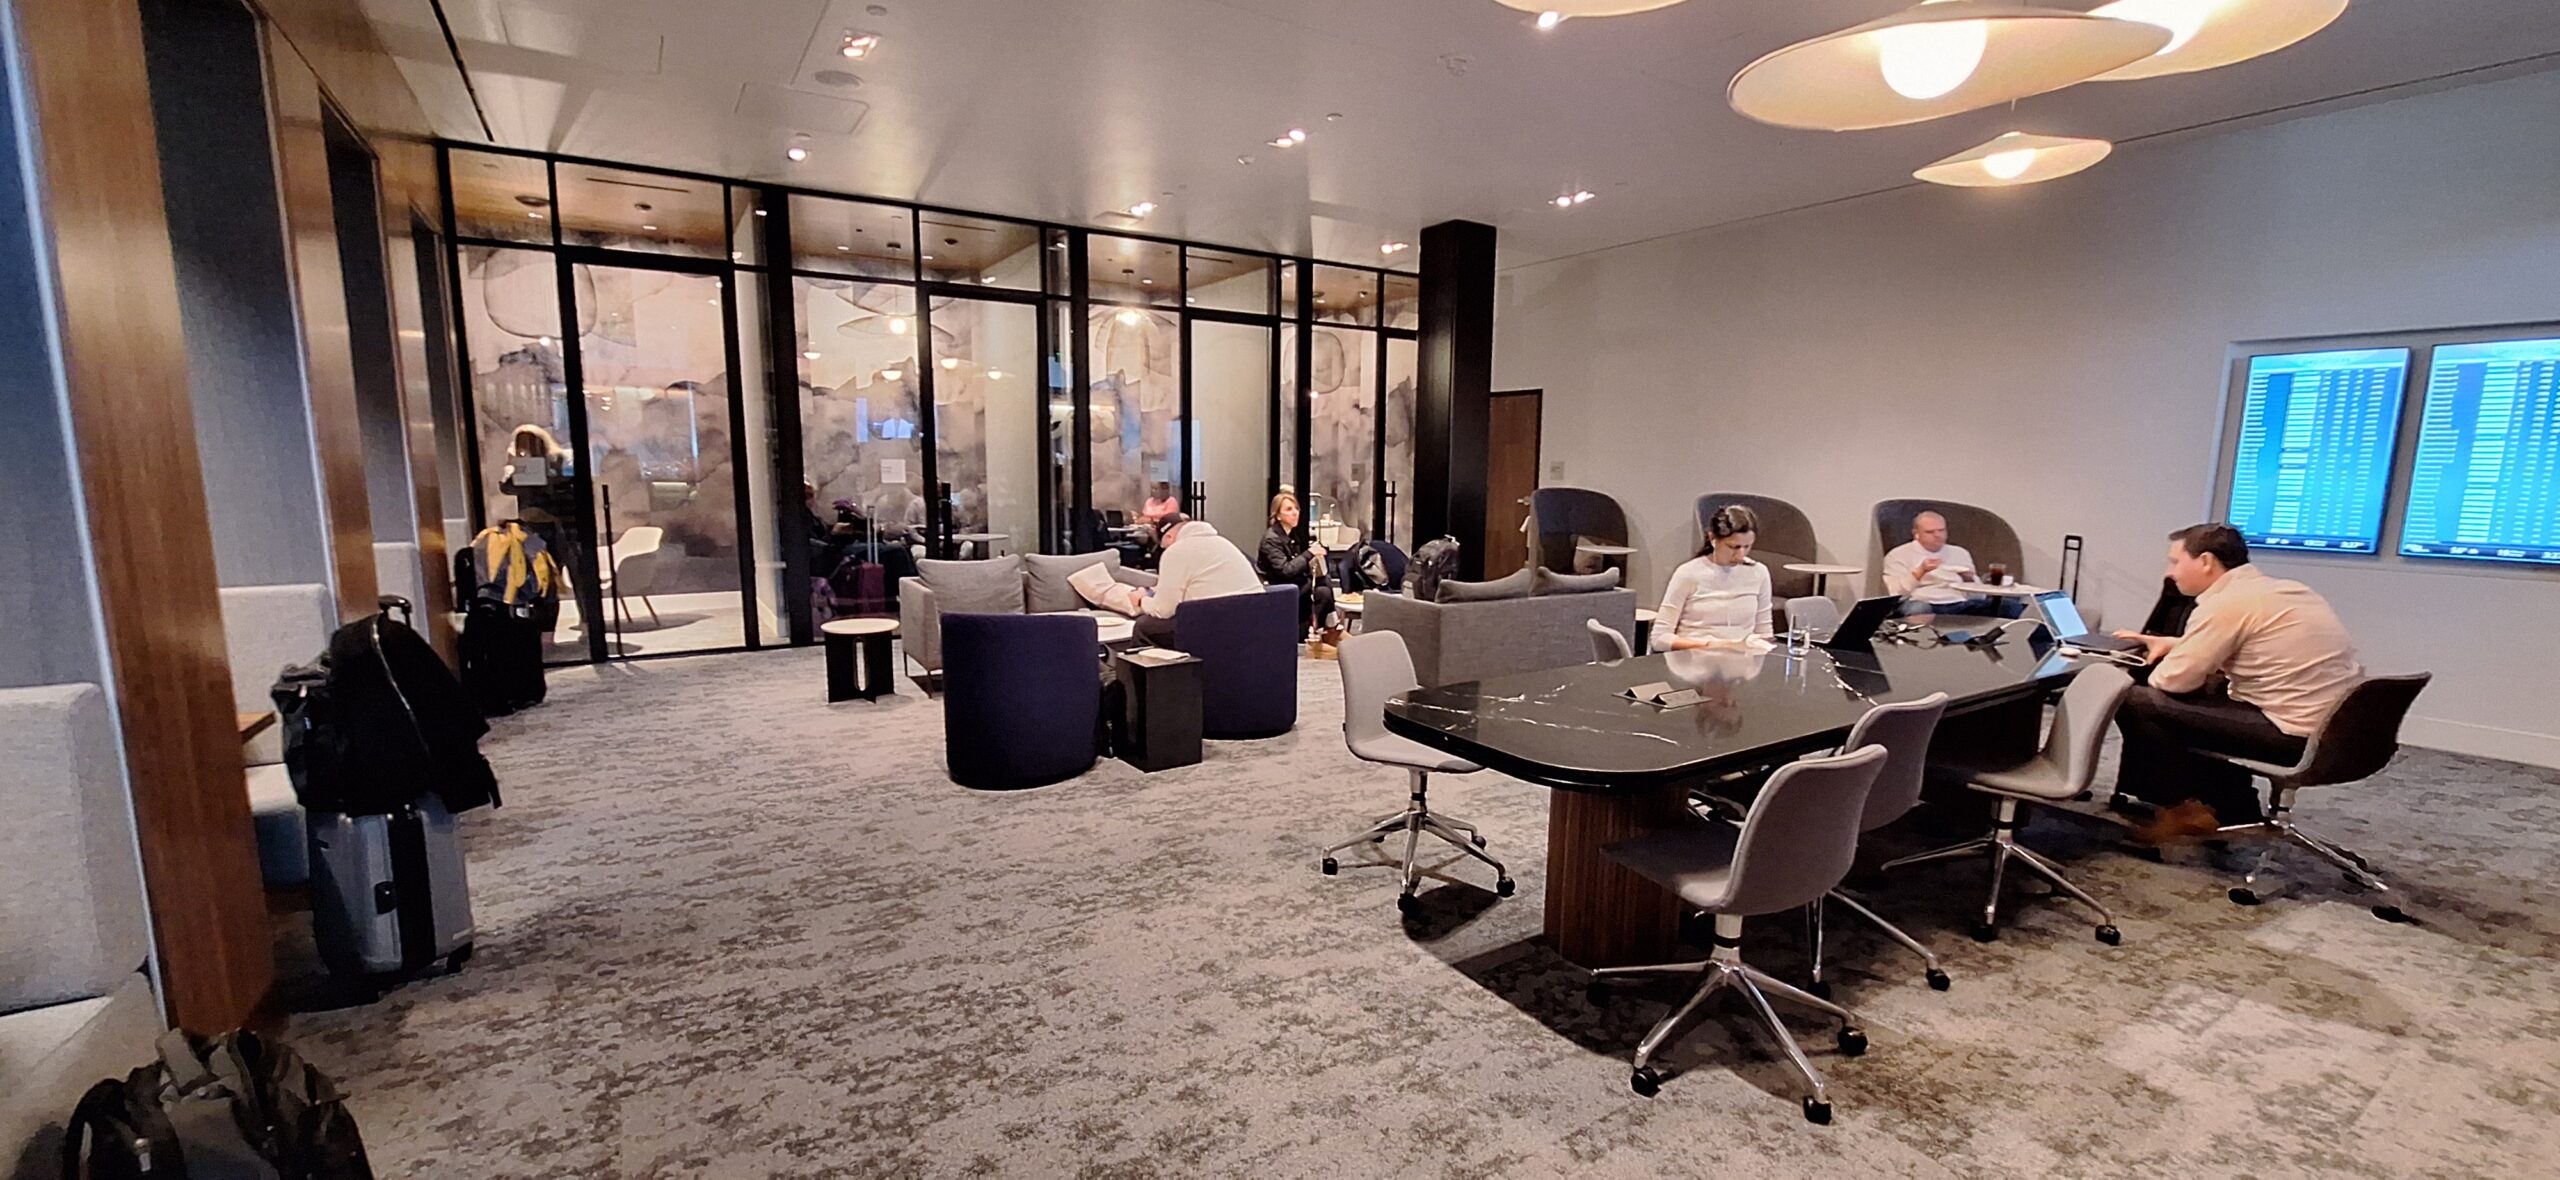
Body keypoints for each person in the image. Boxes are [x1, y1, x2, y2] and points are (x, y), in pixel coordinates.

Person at [2110, 523, 2364, 843]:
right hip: (2341, 731)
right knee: (2207, 696)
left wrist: (2174, 659)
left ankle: (2182, 812)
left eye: (2175, 562)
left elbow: (2172, 680)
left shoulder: (2225, 604)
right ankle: (2232, 807)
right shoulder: (2283, 591)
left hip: (2295, 736)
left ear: (2205, 561)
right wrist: (2178, 645)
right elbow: (2255, 644)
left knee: (2136, 699)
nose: (2170, 573)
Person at [1651, 505, 1773, 652]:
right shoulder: (1688, 573)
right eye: (1733, 547)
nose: (1741, 555)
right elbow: (1659, 638)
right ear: (1713, 539)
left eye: (1747, 547)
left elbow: (1765, 633)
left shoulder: (1759, 572)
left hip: (1742, 665)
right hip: (1695, 661)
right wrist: (1710, 645)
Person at [1127, 514, 1262, 646]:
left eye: (1164, 546)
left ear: (1168, 537)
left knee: (1144, 626)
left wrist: (1140, 600)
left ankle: (1157, 668)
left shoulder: (1176, 551)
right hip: (1254, 619)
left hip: (1218, 625)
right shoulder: (1223, 543)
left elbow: (1163, 611)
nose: (1164, 550)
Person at [1257, 493, 1344, 656]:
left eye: (1296, 508)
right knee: (1323, 592)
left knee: (1323, 582)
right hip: (1278, 588)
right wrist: (1309, 554)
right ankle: (1324, 631)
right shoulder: (1272, 539)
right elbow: (1285, 570)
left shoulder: (1291, 535)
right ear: (1278, 515)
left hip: (1292, 583)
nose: (1295, 512)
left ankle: (1329, 629)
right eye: (1289, 509)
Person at [1880, 510, 2010, 617]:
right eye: (1930, 532)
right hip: (1924, 602)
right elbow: (1895, 594)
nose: (1937, 535)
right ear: (1916, 534)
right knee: (1916, 609)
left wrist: (1969, 578)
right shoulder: (1898, 554)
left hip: (1959, 603)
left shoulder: (1960, 553)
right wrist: (1920, 573)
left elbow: (1979, 596)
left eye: (1941, 530)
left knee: (2009, 606)